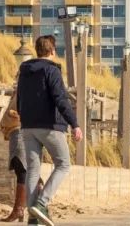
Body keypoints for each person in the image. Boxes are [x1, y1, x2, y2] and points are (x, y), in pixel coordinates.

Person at [18, 35, 83, 226]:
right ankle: (42, 203)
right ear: (52, 51)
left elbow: (19, 97)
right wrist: (75, 124)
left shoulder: (24, 70)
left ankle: (32, 217)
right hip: (50, 126)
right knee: (63, 164)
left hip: (28, 126)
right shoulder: (51, 70)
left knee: (32, 170)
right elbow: (60, 99)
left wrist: (24, 118)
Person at [0, 70, 44, 222]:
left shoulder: (28, 91)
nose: (16, 78)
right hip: (18, 133)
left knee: (22, 169)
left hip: (20, 132)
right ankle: (33, 205)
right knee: (25, 169)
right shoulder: (24, 91)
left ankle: (20, 209)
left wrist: (12, 116)